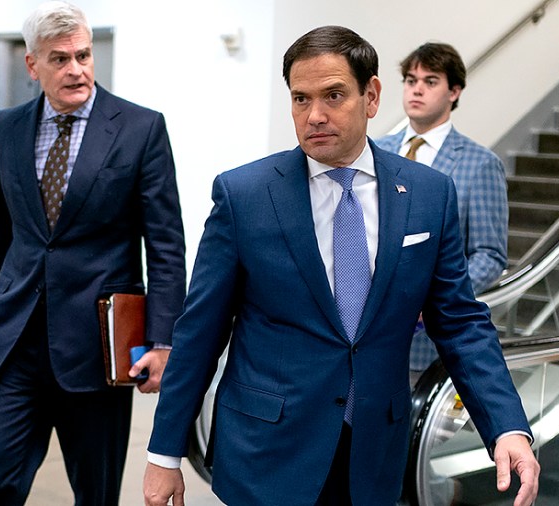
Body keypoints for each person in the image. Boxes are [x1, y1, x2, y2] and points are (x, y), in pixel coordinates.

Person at [143, 26, 538, 506]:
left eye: (334, 95)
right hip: (267, 452)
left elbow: (460, 322)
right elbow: (201, 331)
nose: (315, 115)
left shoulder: (429, 194)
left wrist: (507, 426)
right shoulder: (244, 196)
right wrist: (164, 454)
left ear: (371, 96)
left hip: (373, 452)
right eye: (300, 99)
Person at [0, 2, 186, 505]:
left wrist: (163, 340)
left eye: (83, 55)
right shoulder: (8, 126)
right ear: (32, 65)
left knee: (95, 490)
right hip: (15, 339)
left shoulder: (140, 128)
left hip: (96, 345)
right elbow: (4, 234)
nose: (76, 69)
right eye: (60, 59)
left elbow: (167, 244)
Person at [377, 42, 509, 374]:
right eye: (410, 80)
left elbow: (489, 255)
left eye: (430, 81)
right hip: (365, 334)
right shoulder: (376, 151)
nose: (416, 89)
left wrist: (435, 294)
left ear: (454, 91)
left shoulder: (480, 164)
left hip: (427, 344)